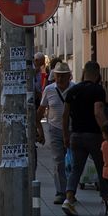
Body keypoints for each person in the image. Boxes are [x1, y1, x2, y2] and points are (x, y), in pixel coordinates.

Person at [61, 60, 108, 216]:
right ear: (97, 73)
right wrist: (106, 133)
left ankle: (68, 199)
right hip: (93, 135)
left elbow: (65, 115)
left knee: (76, 168)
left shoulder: (73, 90)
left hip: (76, 135)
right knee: (102, 167)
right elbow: (98, 112)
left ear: (84, 72)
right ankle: (106, 201)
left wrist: (65, 136)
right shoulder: (98, 90)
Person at [36, 61, 72, 204]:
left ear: (69, 76)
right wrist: (40, 130)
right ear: (54, 76)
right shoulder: (49, 90)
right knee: (58, 162)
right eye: (58, 76)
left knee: (72, 163)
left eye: (64, 76)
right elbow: (41, 110)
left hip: (72, 130)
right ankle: (61, 192)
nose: (61, 79)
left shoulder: (74, 88)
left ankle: (70, 191)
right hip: (55, 129)